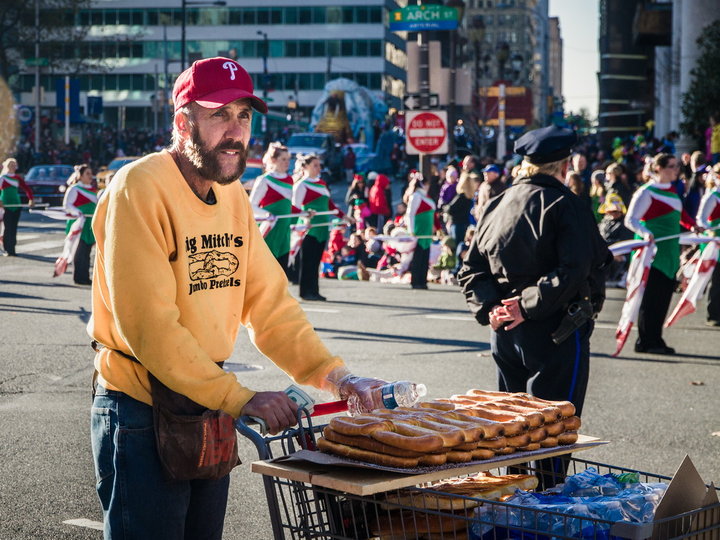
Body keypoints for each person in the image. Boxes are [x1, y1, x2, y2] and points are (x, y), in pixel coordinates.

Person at [88, 57, 387, 539]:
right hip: (142, 406)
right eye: (218, 115)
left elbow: (270, 305)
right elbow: (150, 328)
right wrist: (241, 398)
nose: (235, 131)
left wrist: (338, 377)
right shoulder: (139, 187)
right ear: (183, 122)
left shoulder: (232, 197)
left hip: (206, 403)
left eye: (244, 116)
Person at [459, 126, 610, 459]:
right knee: (552, 431)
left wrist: (491, 309)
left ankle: (514, 497)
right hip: (554, 328)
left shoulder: (497, 204)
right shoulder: (565, 203)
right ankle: (547, 501)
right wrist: (524, 307)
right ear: (563, 164)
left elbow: (470, 269)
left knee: (510, 428)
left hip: (504, 331)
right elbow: (578, 268)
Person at [624, 153, 699, 354]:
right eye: (671, 166)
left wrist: (694, 227)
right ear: (658, 168)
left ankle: (656, 338)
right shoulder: (646, 191)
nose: (676, 170)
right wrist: (646, 233)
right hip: (653, 254)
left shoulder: (673, 192)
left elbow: (681, 217)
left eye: (676, 166)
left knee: (663, 297)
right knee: (651, 299)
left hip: (669, 253)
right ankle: (645, 341)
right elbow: (631, 220)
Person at [293, 153, 346, 301]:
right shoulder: (301, 185)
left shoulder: (321, 184)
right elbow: (295, 208)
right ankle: (305, 291)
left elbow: (330, 205)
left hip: (323, 228)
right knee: (308, 261)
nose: (318, 168)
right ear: (305, 167)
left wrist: (344, 216)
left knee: (316, 260)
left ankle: (314, 290)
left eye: (319, 165)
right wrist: (304, 219)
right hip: (310, 229)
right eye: (315, 165)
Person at [249, 142, 295, 273]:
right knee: (267, 272)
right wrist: (267, 215)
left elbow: (287, 205)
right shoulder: (264, 180)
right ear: (273, 160)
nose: (287, 162)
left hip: (284, 231)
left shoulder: (289, 180)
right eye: (283, 159)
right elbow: (251, 206)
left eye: (288, 159)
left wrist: (304, 213)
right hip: (269, 230)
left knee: (282, 272)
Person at [63, 163, 97, 285]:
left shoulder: (93, 190)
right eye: (87, 173)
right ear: (80, 176)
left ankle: (85, 276)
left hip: (89, 224)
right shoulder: (74, 188)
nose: (90, 176)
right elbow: (67, 205)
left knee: (87, 251)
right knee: (80, 251)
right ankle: (79, 277)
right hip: (79, 223)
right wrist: (79, 213)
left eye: (91, 173)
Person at [696, 164, 720, 326]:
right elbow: (701, 220)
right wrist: (712, 230)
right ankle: (714, 315)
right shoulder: (712, 196)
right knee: (717, 279)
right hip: (716, 243)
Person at [405, 171, 436, 290]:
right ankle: (416, 280)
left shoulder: (425, 196)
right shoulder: (416, 196)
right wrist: (411, 231)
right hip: (419, 231)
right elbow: (410, 214)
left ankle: (422, 280)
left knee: (425, 256)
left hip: (427, 231)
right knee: (418, 257)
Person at [597, 193, 634, 286]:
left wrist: (604, 246)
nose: (613, 213)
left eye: (616, 211)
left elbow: (624, 242)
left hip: (619, 252)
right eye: (611, 211)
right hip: (602, 249)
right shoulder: (604, 222)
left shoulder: (624, 224)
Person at [0, 158, 34, 256]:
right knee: (8, 227)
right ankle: (7, 249)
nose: (13, 166)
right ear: (6, 166)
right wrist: (0, 201)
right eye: (11, 164)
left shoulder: (17, 178)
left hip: (16, 204)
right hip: (6, 205)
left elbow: (27, 189)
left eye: (14, 164)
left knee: (13, 227)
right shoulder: (2, 177)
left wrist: (31, 199)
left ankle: (12, 249)